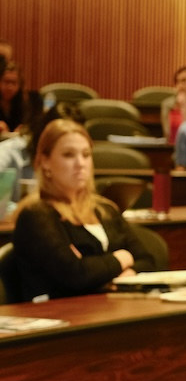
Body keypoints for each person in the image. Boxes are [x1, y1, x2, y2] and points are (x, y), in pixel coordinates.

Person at [11, 119, 158, 302]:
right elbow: (75, 275)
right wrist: (122, 258)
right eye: (68, 155)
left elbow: (147, 261)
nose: (80, 163)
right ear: (45, 162)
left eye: (86, 154)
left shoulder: (105, 209)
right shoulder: (36, 215)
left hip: (107, 309)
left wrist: (111, 274)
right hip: (57, 317)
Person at [0, 62, 30, 134]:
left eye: (14, 83)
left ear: (19, 85)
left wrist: (24, 128)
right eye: (6, 82)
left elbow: (29, 124)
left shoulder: (24, 102)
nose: (10, 87)